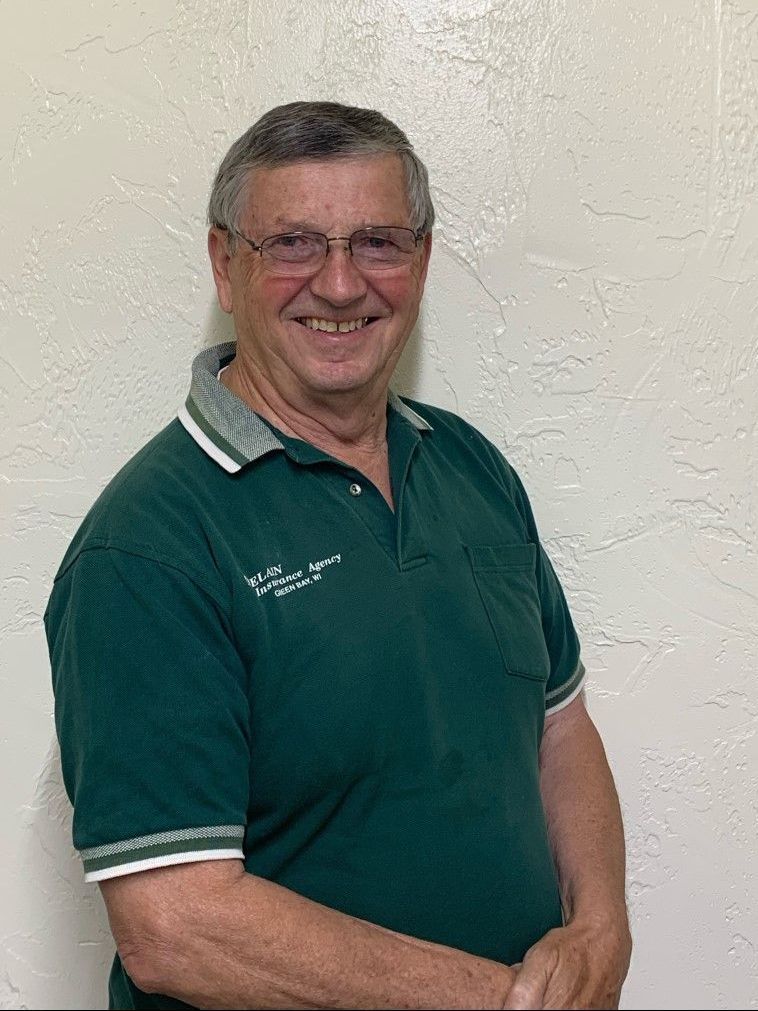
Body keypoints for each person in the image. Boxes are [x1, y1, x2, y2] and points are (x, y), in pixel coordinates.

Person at [45, 101, 632, 1010]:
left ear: (423, 261)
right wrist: (501, 1000)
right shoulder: (150, 544)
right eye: (293, 244)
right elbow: (175, 924)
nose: (341, 283)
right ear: (223, 264)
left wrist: (601, 928)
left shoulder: (471, 466)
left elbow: (560, 726)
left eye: (379, 242)